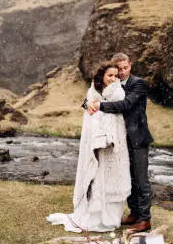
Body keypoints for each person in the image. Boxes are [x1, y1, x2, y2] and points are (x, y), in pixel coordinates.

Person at [47, 62, 131, 232]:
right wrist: (89, 106)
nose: (114, 79)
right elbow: (87, 105)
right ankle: (94, 216)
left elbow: (117, 110)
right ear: (102, 76)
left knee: (112, 177)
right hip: (95, 144)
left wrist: (99, 109)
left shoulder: (119, 92)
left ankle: (110, 220)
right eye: (110, 75)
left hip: (114, 145)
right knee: (96, 177)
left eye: (116, 75)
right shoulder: (93, 89)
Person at [88, 53, 153, 233]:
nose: (123, 72)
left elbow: (125, 105)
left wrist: (99, 106)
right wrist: (89, 104)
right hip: (121, 139)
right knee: (129, 177)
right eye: (119, 70)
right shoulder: (111, 84)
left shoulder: (138, 83)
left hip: (138, 138)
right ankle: (134, 213)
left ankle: (145, 219)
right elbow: (91, 98)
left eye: (126, 68)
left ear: (130, 65)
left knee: (141, 179)